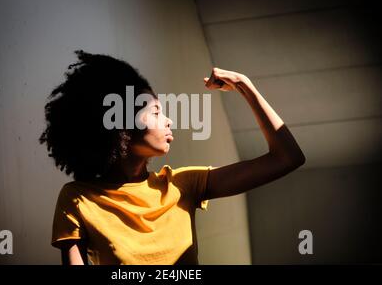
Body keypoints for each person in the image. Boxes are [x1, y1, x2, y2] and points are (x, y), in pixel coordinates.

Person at [39, 50, 305, 265]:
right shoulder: (77, 198)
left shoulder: (183, 185)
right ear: (120, 123)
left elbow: (287, 158)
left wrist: (244, 86)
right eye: (155, 112)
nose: (168, 121)